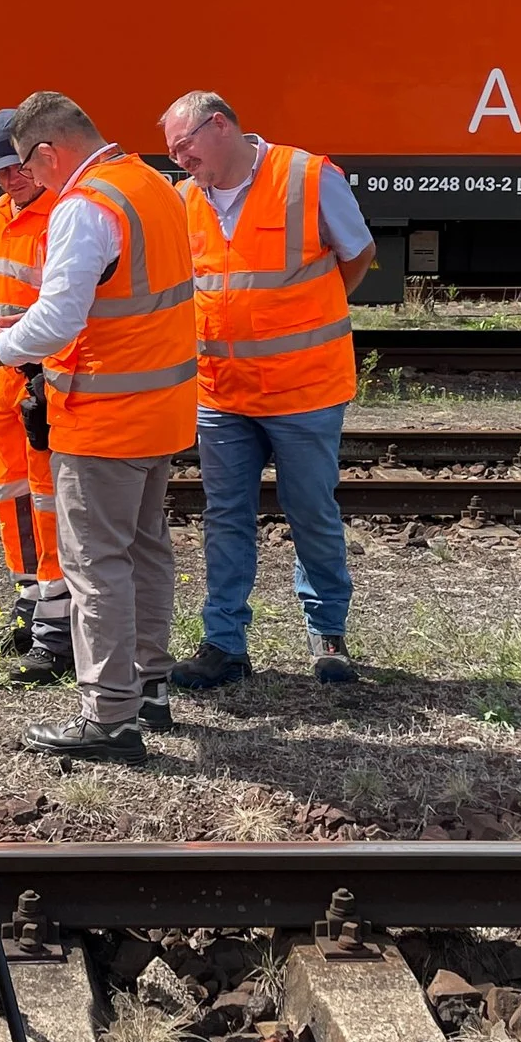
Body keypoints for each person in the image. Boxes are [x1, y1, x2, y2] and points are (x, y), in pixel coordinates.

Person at [0, 92, 197, 764]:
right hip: (162, 410)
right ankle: (150, 687)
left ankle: (110, 717)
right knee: (148, 551)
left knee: (97, 568)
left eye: (31, 168)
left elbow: (61, 321)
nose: (30, 183)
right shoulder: (150, 185)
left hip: (104, 418)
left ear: (47, 151)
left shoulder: (84, 205)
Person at [160, 91, 376, 690]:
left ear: (221, 126)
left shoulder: (306, 175)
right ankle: (224, 644)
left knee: (312, 513)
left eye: (186, 146)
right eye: (173, 151)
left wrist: (308, 312)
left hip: (304, 388)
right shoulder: (184, 200)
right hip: (222, 393)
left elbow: (357, 257)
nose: (180, 160)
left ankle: (329, 633)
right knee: (226, 518)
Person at [0, 109, 72, 685]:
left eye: (15, 168)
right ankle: (29, 596)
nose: (8, 181)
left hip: (42, 381)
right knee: (11, 493)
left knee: (49, 495)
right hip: (1, 380)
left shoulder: (63, 215)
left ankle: (58, 614)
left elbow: (65, 310)